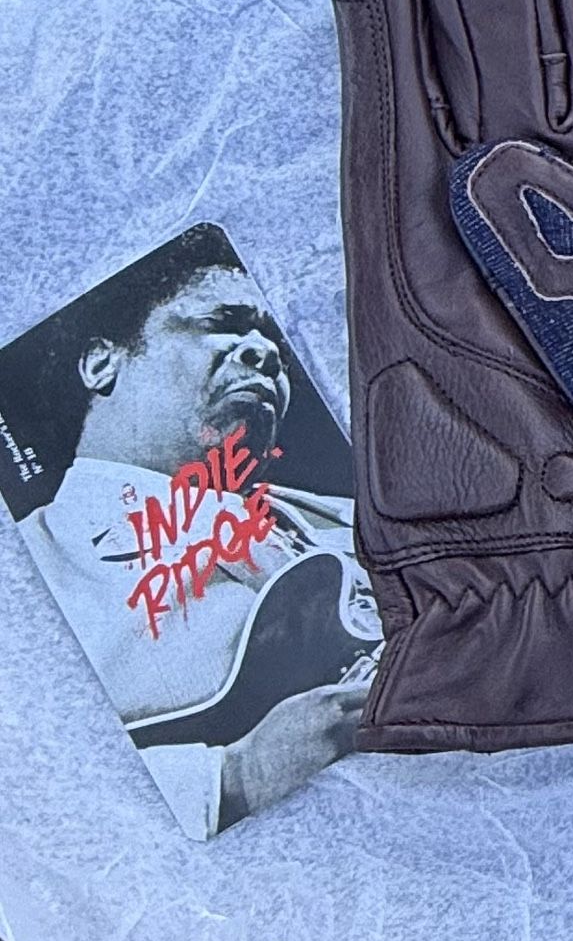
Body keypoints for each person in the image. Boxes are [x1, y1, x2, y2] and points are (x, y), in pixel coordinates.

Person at [18, 232, 370, 836]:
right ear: (102, 364)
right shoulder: (31, 567)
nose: (267, 353)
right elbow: (34, 794)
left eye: (276, 346)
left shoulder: (350, 514)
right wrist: (232, 776)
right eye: (223, 323)